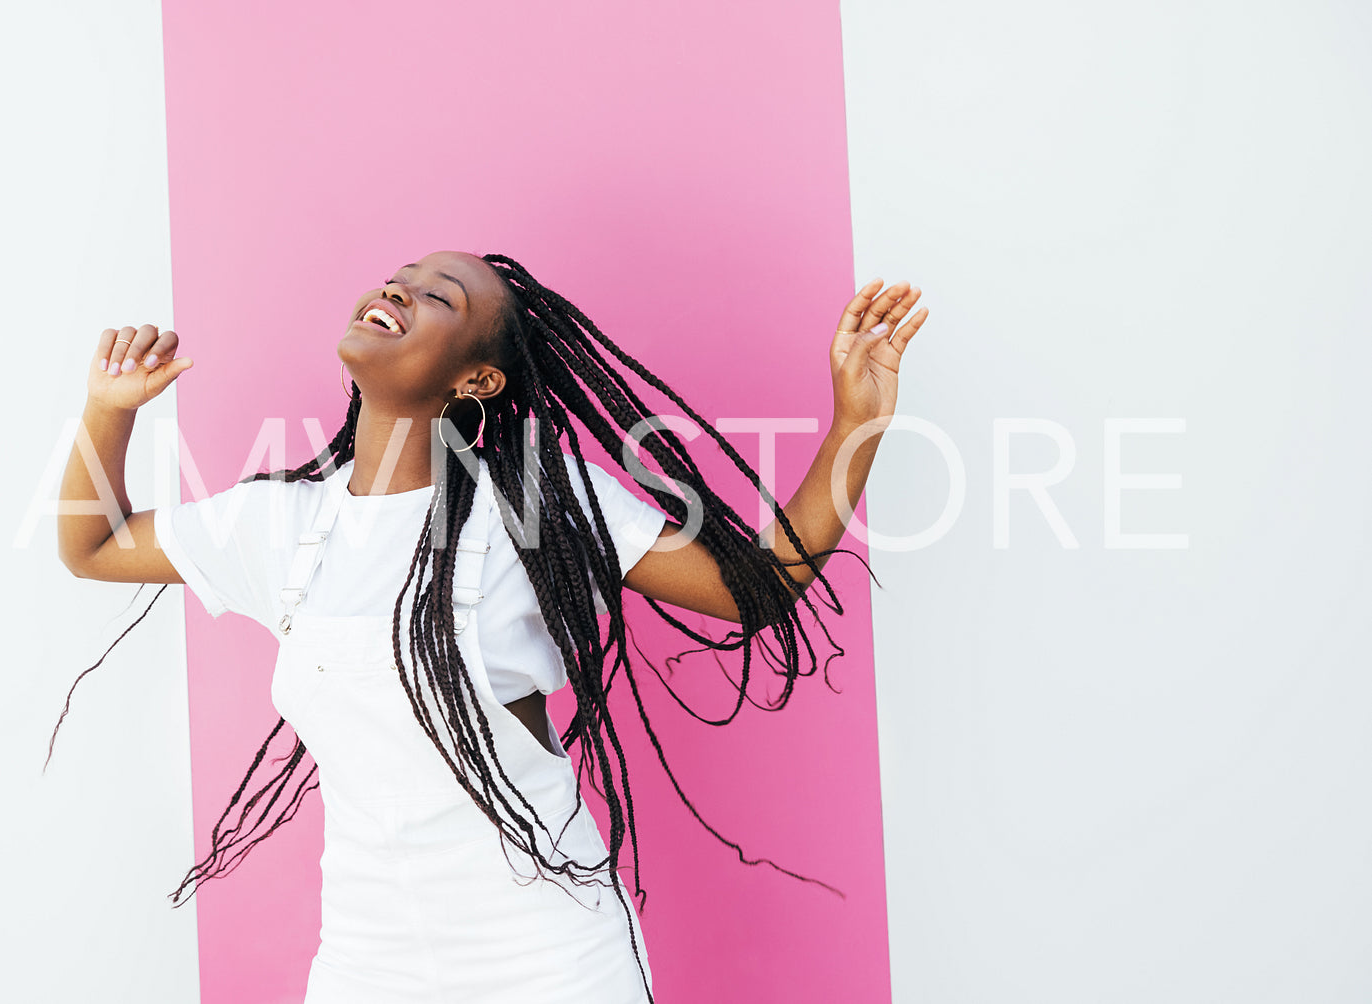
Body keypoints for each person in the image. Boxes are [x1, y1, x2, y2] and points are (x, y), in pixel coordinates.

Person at [55, 250, 928, 1002]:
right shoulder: (277, 523)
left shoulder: (542, 506)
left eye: (436, 296)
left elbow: (756, 593)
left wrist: (859, 421)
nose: (395, 291)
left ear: (477, 379)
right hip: (368, 962)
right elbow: (90, 546)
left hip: (545, 955)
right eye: (397, 280)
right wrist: (111, 409)